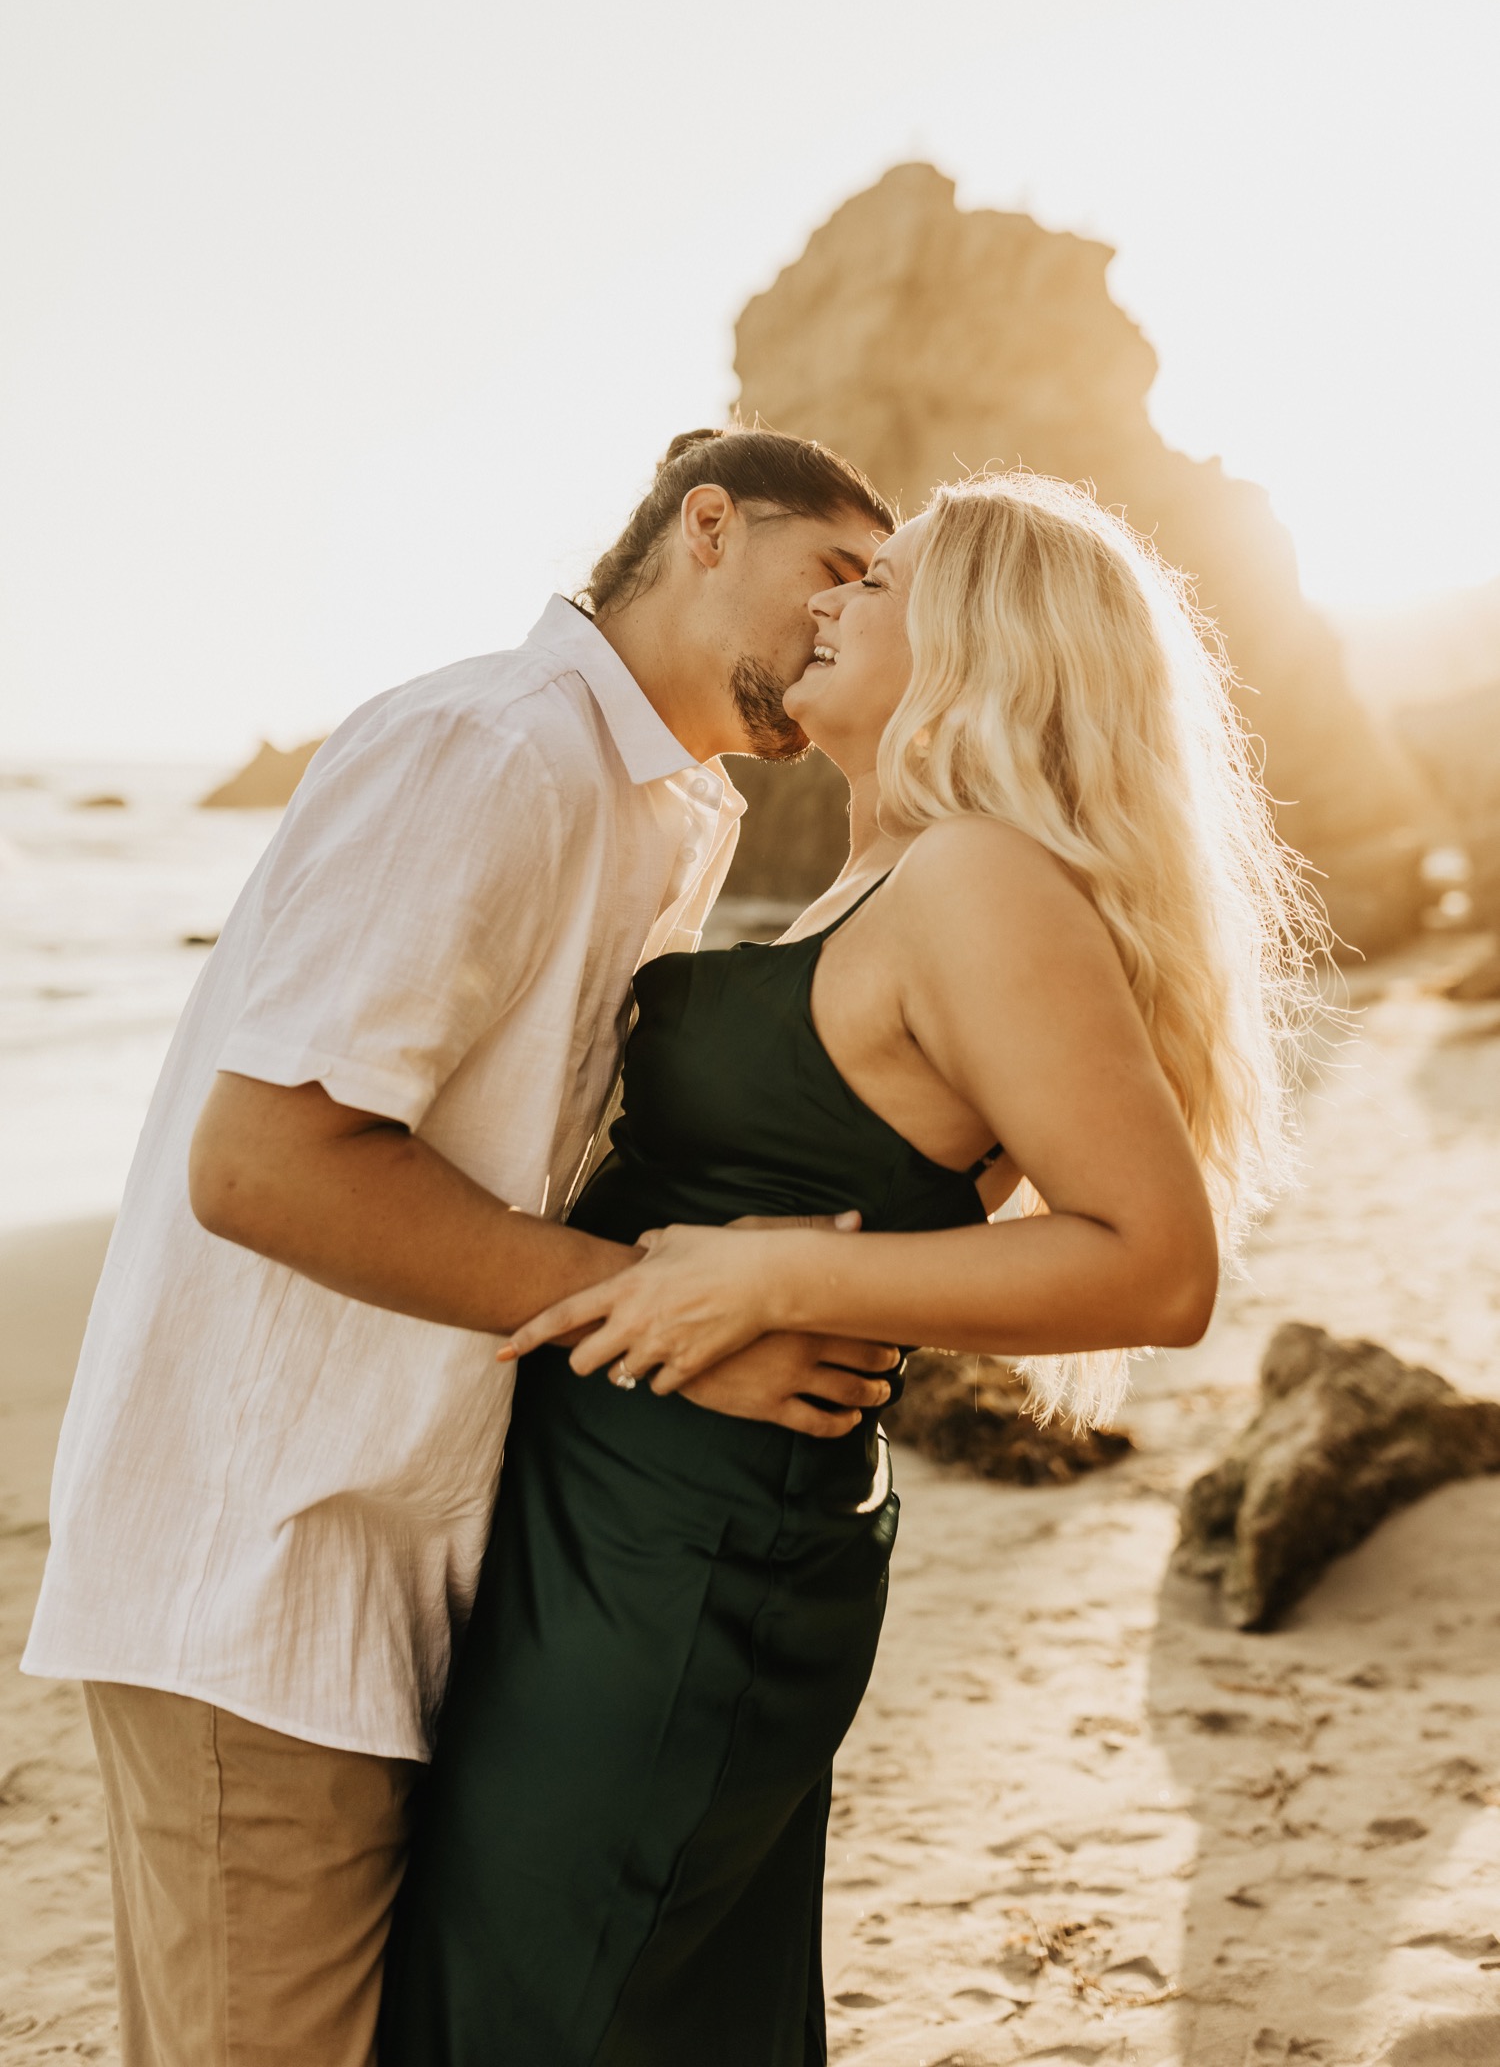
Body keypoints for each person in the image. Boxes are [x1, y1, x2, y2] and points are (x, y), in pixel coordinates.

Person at [377, 470, 1322, 2066]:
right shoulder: (880, 878)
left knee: (558, 2000)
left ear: (977, 641)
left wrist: (771, 1287)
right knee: (611, 1998)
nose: (830, 602)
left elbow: (1156, 1267)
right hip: (612, 1509)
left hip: (702, 1545)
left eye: (876, 589)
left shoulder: (981, 884)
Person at [22, 426, 901, 2067]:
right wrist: (679, 1307)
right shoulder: (496, 748)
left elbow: (492, 1159)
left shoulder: (669, 808)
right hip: (256, 1558)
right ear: (707, 524)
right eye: (831, 575)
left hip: (408, 1551)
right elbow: (265, 1164)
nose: (844, 627)